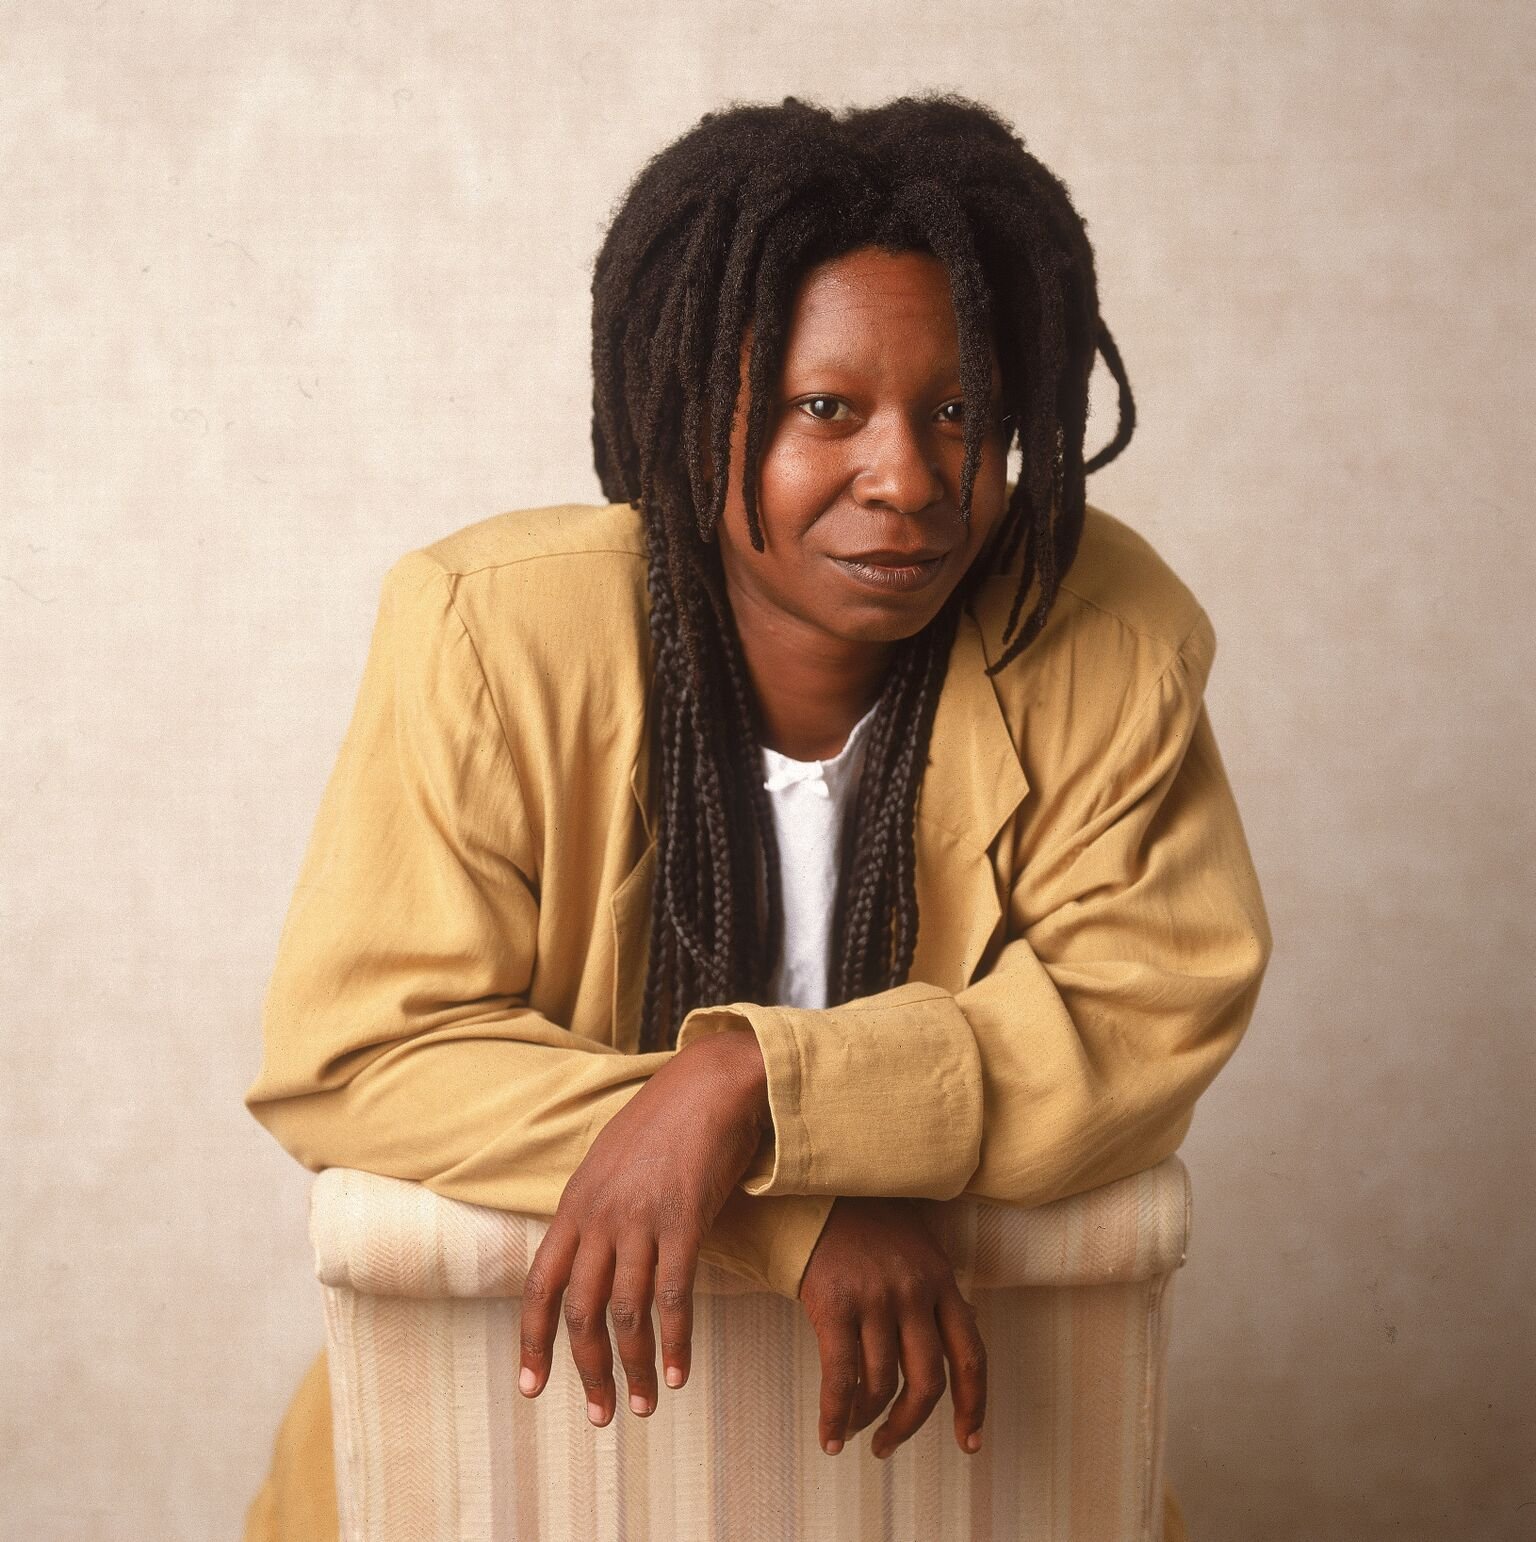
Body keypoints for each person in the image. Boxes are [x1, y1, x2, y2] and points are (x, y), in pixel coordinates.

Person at [242, 92, 1272, 1540]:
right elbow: (360, 1054)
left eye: (962, 410)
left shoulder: (1102, 630)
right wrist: (802, 1202)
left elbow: (1135, 1021)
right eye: (824, 408)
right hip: (521, 1457)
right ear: (690, 403)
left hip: (965, 1467)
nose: (907, 477)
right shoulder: (488, 631)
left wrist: (741, 1089)